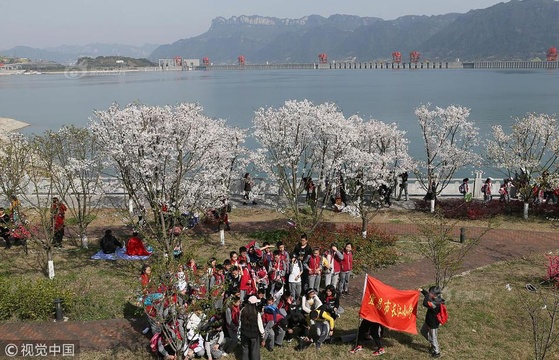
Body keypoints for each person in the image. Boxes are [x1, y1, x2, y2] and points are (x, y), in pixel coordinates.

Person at [419, 286, 445, 358]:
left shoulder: (436, 303)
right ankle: (432, 344)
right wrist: (422, 291)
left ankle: (437, 352)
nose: (429, 294)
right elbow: (428, 296)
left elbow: (425, 303)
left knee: (433, 338)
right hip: (428, 321)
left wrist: (427, 295)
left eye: (430, 293)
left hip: (433, 324)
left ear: (434, 294)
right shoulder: (434, 298)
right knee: (423, 332)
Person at [239, 295, 265, 360]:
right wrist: (262, 337)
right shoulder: (256, 313)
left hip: (244, 334)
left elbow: (239, 322)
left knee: (245, 350)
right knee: (255, 351)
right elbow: (260, 327)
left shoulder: (242, 311)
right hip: (254, 335)